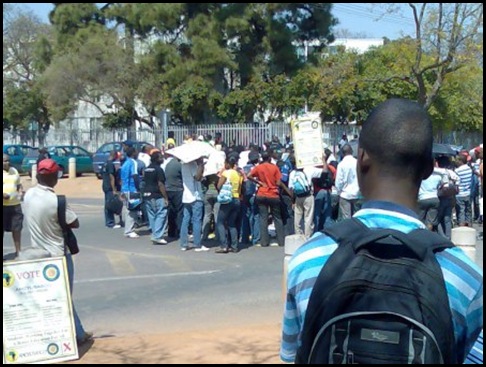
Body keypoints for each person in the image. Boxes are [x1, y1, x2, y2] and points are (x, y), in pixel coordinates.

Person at [280, 98, 483, 363]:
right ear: (428, 169)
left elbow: (291, 356)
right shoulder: (465, 278)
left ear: (361, 159)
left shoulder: (308, 259)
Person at [23, 159, 92, 346]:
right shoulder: (56, 201)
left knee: (48, 297)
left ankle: (78, 332)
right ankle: (74, 336)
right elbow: (74, 222)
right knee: (64, 297)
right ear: (53, 176)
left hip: (37, 254)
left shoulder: (28, 195)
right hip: (58, 255)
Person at [248, 151, 292, 247]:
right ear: (269, 158)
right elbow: (279, 182)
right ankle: (281, 241)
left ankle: (264, 242)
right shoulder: (274, 167)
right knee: (277, 218)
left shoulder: (259, 167)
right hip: (273, 194)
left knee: (263, 217)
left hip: (261, 193)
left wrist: (258, 182)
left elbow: (249, 176)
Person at [180, 158, 210, 252]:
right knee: (197, 220)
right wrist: (201, 166)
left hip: (186, 196)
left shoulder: (183, 165)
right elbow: (197, 177)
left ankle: (184, 244)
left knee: (186, 220)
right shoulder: (192, 165)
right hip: (195, 195)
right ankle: (197, 244)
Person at [215, 155, 243, 253]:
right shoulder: (238, 174)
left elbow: (219, 185)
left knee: (220, 222)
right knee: (232, 223)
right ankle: (234, 246)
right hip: (236, 198)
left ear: (227, 164)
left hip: (227, 199)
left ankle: (223, 245)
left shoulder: (226, 173)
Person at [143, 150, 169, 244]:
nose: (162, 159)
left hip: (147, 195)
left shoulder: (147, 169)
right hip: (156, 195)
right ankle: (157, 236)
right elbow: (160, 184)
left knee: (152, 216)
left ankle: (155, 234)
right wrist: (165, 197)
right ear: (157, 159)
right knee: (161, 214)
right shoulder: (159, 169)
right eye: (161, 157)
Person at [3, 154, 23, 257]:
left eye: (8, 161)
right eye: (4, 161)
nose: (6, 163)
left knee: (17, 229)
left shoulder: (14, 171)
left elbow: (18, 184)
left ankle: (18, 251)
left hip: (15, 205)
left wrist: (21, 192)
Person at [101, 151, 123, 229]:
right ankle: (110, 223)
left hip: (105, 186)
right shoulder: (110, 164)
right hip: (109, 187)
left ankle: (109, 221)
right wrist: (114, 189)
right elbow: (111, 177)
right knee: (110, 204)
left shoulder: (105, 163)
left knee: (107, 204)